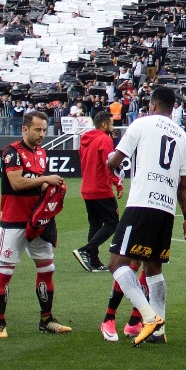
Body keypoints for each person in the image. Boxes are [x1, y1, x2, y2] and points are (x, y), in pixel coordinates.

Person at [104, 86, 186, 347]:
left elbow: (114, 161)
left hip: (142, 204)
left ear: (153, 105)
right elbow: (185, 182)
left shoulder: (141, 124)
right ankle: (158, 332)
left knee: (116, 263)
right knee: (153, 268)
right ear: (173, 107)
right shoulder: (184, 139)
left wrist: (112, 160)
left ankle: (149, 316)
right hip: (166, 210)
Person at [0, 110, 71, 337]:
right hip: (13, 221)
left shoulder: (41, 153)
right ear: (25, 129)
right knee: (5, 272)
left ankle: (46, 319)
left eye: (44, 130)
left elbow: (37, 185)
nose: (41, 134)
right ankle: (0, 323)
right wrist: (46, 179)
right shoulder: (12, 152)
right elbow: (17, 183)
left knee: (47, 270)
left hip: (37, 221)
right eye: (37, 130)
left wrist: (52, 189)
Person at [74, 109, 119, 273]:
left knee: (95, 225)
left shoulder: (85, 140)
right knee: (113, 223)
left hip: (87, 188)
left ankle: (93, 261)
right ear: (104, 124)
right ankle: (86, 250)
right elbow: (109, 164)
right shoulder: (104, 139)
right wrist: (117, 184)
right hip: (101, 189)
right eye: (112, 123)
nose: (113, 127)